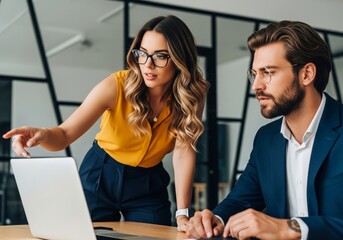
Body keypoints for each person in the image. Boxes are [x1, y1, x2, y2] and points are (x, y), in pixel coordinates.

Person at [3, 15, 209, 230]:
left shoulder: (193, 94)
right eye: (142, 54)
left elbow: (184, 150)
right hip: (101, 174)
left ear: (179, 58)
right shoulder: (116, 85)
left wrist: (183, 214)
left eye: (160, 56)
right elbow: (64, 135)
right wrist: (42, 134)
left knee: (155, 235)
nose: (147, 65)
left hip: (148, 182)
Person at [186, 20, 343, 240]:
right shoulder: (266, 139)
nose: (256, 86)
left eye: (268, 72)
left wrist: (288, 228)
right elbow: (240, 200)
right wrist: (215, 219)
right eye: (255, 74)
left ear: (306, 74)